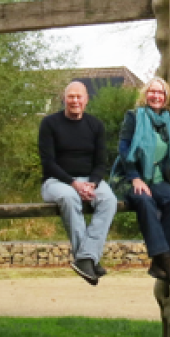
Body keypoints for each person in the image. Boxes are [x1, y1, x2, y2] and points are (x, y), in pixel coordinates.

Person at [111, 77, 170, 286]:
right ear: (145, 94)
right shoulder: (134, 116)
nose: (156, 96)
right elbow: (123, 149)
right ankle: (166, 259)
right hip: (128, 177)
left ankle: (158, 263)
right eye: (152, 91)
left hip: (156, 179)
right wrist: (135, 178)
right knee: (145, 201)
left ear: (166, 97)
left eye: (160, 93)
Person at [39, 81, 117, 285]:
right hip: (57, 182)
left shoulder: (96, 125)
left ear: (86, 99)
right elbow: (48, 163)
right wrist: (74, 184)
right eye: (71, 96)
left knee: (109, 199)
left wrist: (91, 183)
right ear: (64, 99)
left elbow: (101, 163)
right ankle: (89, 260)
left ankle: (86, 258)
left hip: (88, 181)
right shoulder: (49, 124)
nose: (75, 100)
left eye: (79, 97)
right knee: (68, 197)